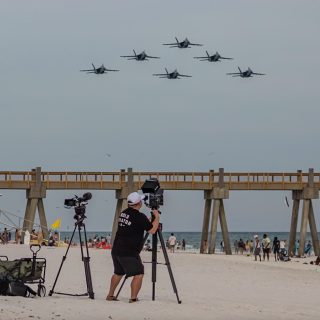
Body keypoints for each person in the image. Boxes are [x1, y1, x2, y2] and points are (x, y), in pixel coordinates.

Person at [106, 192, 160, 303]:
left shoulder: (124, 213)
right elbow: (152, 230)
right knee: (139, 273)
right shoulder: (140, 216)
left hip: (116, 249)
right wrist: (157, 217)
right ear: (139, 203)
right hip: (128, 252)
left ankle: (110, 295)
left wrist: (149, 221)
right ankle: (133, 298)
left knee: (118, 273)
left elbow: (136, 224)